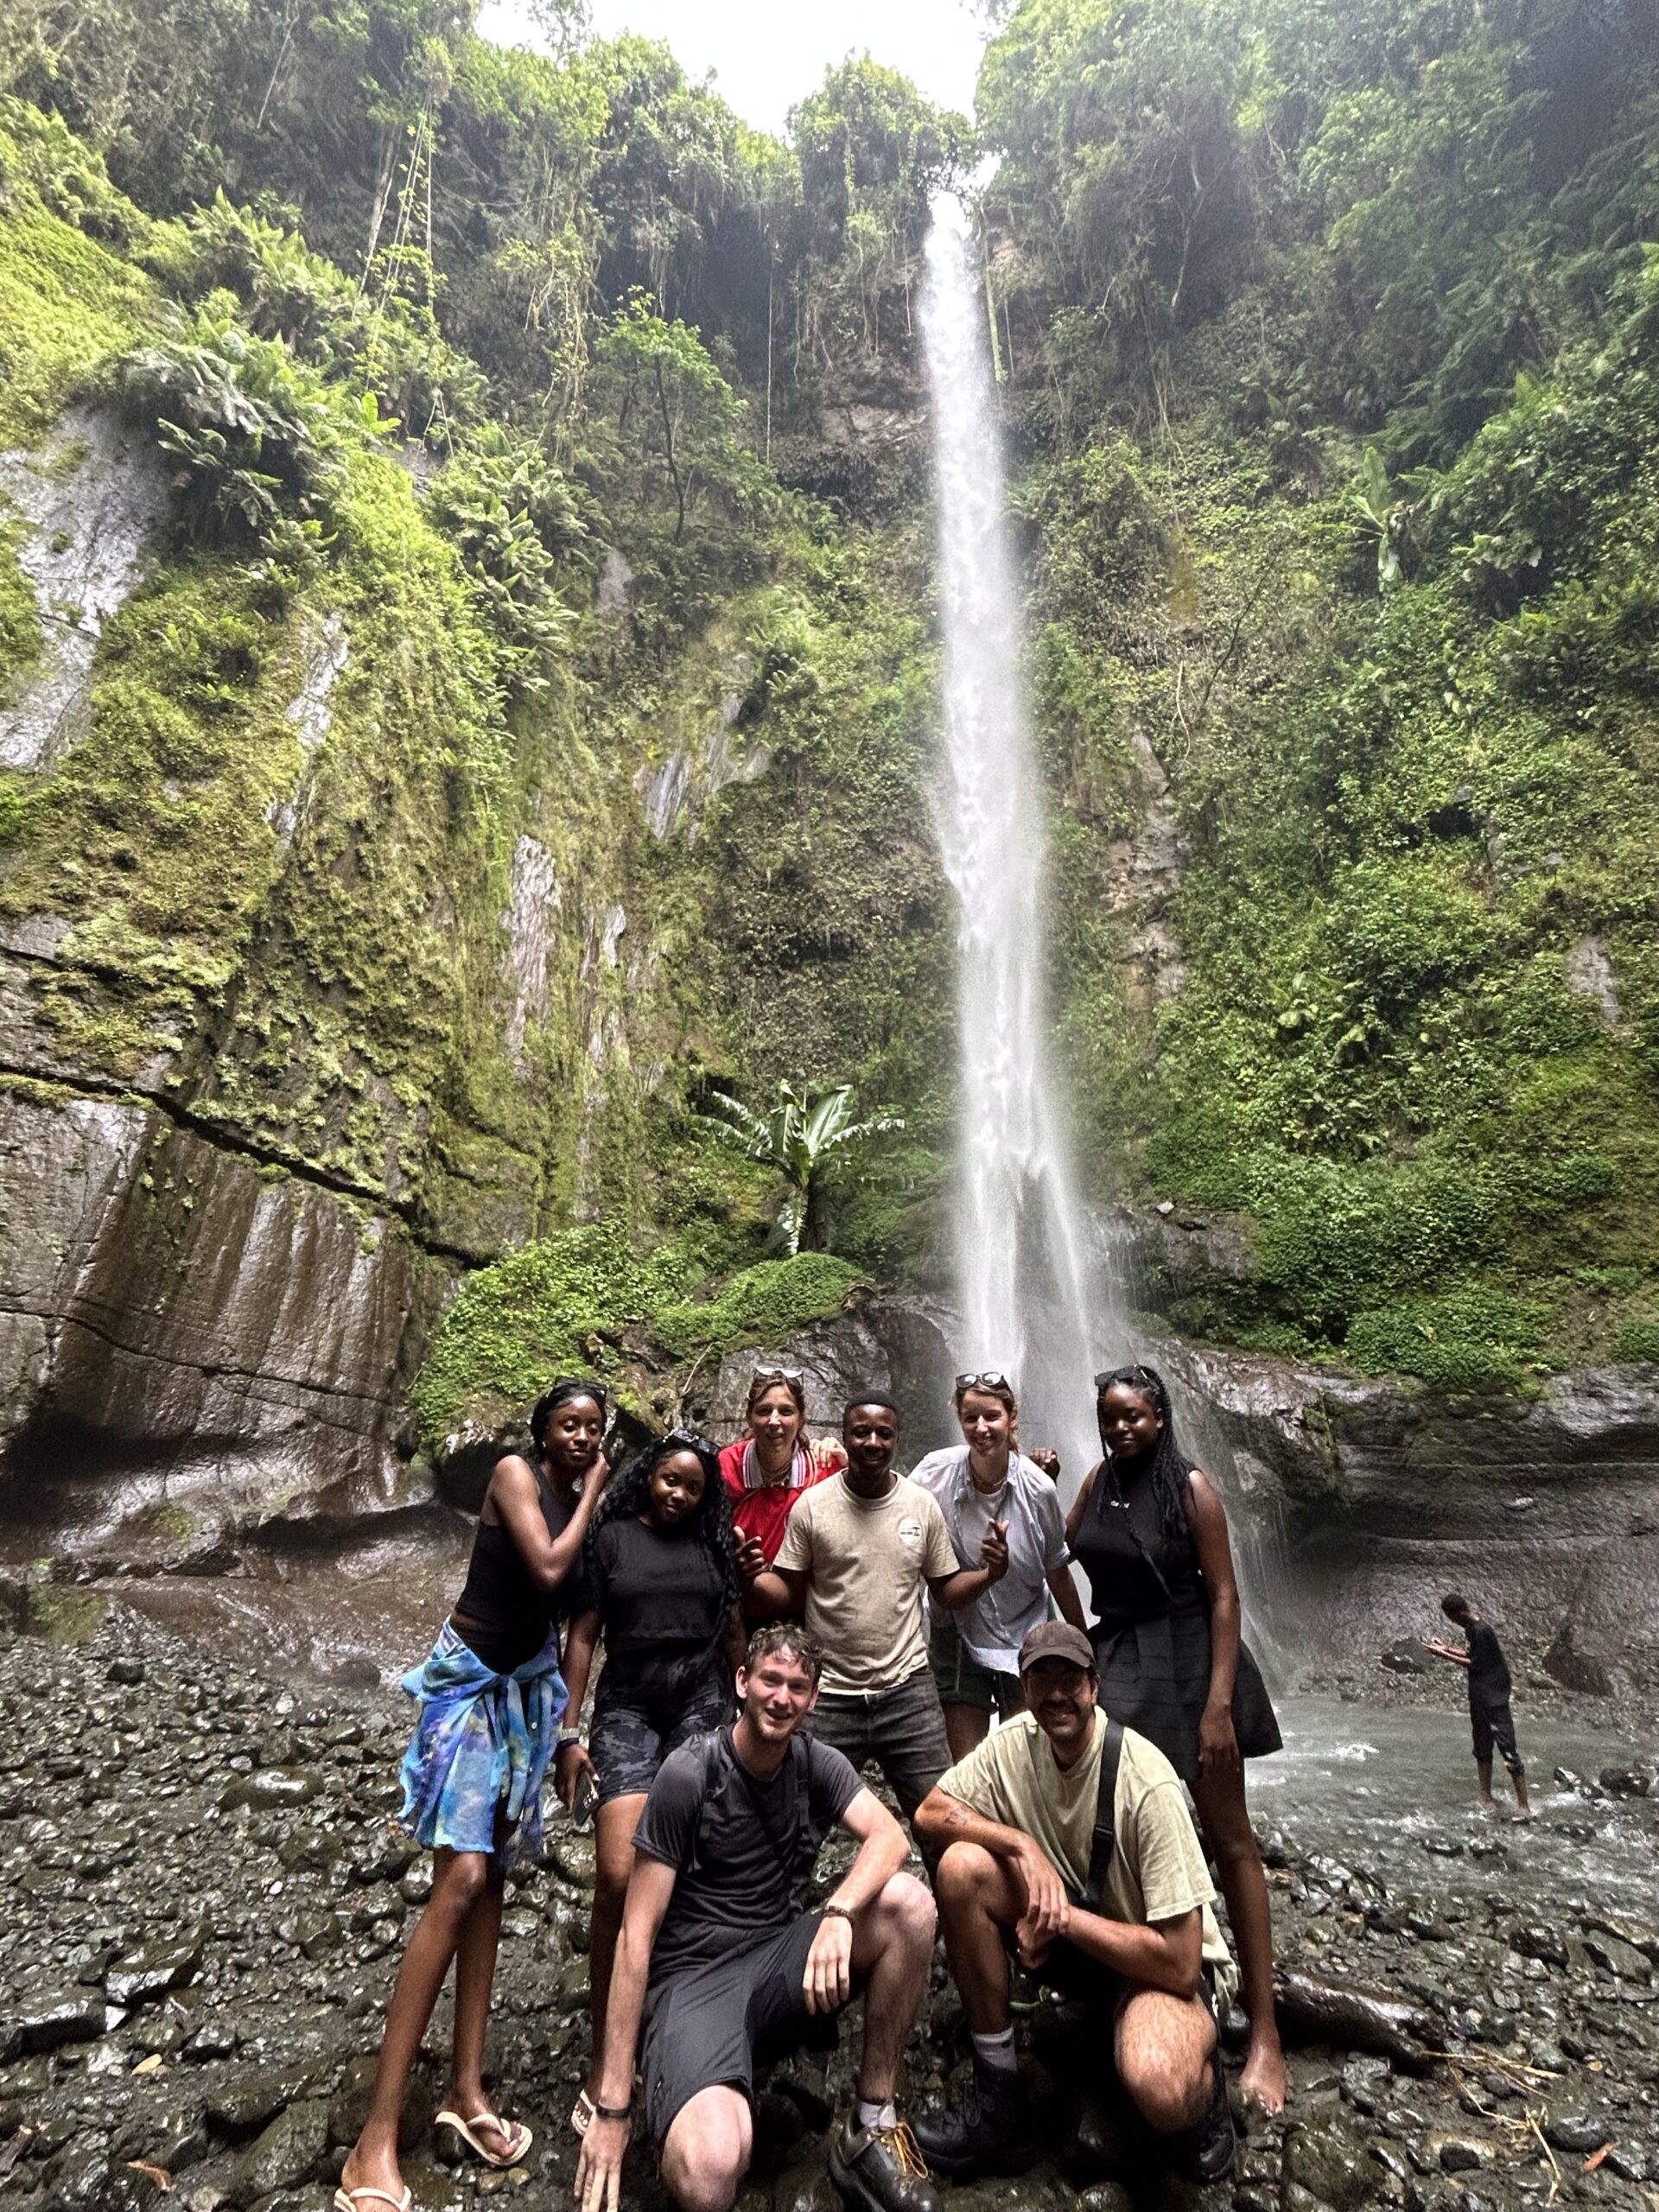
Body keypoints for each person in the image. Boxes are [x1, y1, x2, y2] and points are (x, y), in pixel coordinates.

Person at [337, 1379, 610, 2212]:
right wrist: (598, 1486)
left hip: (524, 1694)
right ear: (543, 1434)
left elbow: (580, 1630)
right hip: (468, 1687)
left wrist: (569, 1733)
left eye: (594, 1429)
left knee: (491, 1881)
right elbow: (551, 1565)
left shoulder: (575, 1499)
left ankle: (464, 2092)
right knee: (459, 1881)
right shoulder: (515, 1477)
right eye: (569, 1426)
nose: (581, 1438)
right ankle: (371, 2145)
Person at [573, 1623, 944, 2212]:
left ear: (814, 1699)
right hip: (692, 1981)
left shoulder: (814, 1763)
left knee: (909, 1906)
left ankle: (871, 2122)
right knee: (711, 2170)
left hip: (775, 1965)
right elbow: (635, 1937)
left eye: (798, 1687)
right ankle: (693, 2094)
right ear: (743, 1682)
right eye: (770, 1680)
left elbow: (889, 1838)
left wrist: (840, 1912)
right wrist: (613, 2103)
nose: (782, 1698)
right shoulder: (690, 1774)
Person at [911, 1623, 1237, 2186]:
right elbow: (931, 1813)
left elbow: (1181, 1963)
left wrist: (1059, 1917)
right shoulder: (1015, 1744)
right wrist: (1019, 1844)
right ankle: (999, 2096)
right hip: (1081, 1948)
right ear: (1026, 1687)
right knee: (962, 1868)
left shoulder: (1147, 1782)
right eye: (1043, 1680)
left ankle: (1207, 2098)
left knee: (1160, 2089)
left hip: (1157, 1968)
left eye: (1071, 1680)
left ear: (1095, 1687)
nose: (1057, 1695)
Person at [1065, 1363, 1287, 2114]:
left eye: (1134, 1415)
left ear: (1159, 1418)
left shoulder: (1190, 1488)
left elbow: (1225, 1594)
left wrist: (1219, 1704)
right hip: (1122, 1658)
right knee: (1118, 1821)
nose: (1121, 1427)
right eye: (1110, 1416)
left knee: (1231, 1841)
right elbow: (1067, 1548)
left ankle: (1265, 2037)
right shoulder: (1097, 1480)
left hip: (1191, 1658)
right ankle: (1147, 1976)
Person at [555, 1430, 747, 2139]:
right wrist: (568, 1732)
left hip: (701, 1697)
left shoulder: (711, 1543)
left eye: (693, 1487)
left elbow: (733, 1627)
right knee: (616, 1872)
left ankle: (680, 2014)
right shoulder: (612, 1539)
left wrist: (748, 1694)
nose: (679, 1494)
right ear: (650, 1478)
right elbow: (582, 1637)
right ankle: (609, 2041)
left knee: (689, 1868)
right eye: (670, 1480)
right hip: (631, 1700)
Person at [743, 1393, 1010, 1847]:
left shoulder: (921, 1505)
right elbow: (786, 1590)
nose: (872, 1442)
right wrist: (750, 1576)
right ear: (844, 1439)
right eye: (860, 1432)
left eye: (883, 1433)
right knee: (795, 1829)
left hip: (907, 1691)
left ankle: (957, 1915)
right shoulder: (813, 1505)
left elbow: (944, 1589)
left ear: (896, 1440)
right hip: (828, 1696)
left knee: (943, 1825)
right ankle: (779, 1916)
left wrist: (990, 1574)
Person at [910, 1370, 1086, 1760]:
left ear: (1012, 1418)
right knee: (966, 1766)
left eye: (991, 1416)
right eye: (970, 1418)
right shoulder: (934, 1472)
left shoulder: (1038, 1488)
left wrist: (1083, 1646)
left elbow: (1057, 1570)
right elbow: (893, 1510)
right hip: (956, 1633)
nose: (981, 1427)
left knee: (1027, 1762)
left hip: (1027, 1630)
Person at [720, 1364, 845, 1598]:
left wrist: (850, 1466)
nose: (774, 1421)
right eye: (764, 1410)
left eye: (786, 1411)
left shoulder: (823, 1469)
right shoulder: (727, 1467)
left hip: (806, 1612)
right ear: (749, 1416)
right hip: (736, 1604)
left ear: (801, 1418)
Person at [1428, 1592, 1530, 1815]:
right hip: (1480, 1697)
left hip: (1494, 1699)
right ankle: (1485, 1794)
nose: (1451, 1621)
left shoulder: (1482, 1631)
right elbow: (1471, 1654)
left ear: (1457, 1613)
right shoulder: (1472, 1629)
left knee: (1508, 1750)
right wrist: (1445, 1647)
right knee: (1482, 1747)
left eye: (1450, 1617)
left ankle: (1524, 1806)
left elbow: (1475, 1663)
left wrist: (1442, 1655)